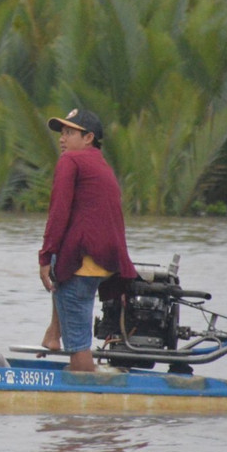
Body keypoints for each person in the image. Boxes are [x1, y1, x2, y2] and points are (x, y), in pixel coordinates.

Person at [38, 108, 137, 372]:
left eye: (69, 133)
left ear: (88, 137)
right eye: (61, 133)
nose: (62, 139)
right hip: (107, 262)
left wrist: (44, 257)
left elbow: (58, 213)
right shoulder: (100, 163)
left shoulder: (70, 160)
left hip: (83, 265)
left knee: (79, 348)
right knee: (60, 263)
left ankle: (83, 383)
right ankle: (54, 333)